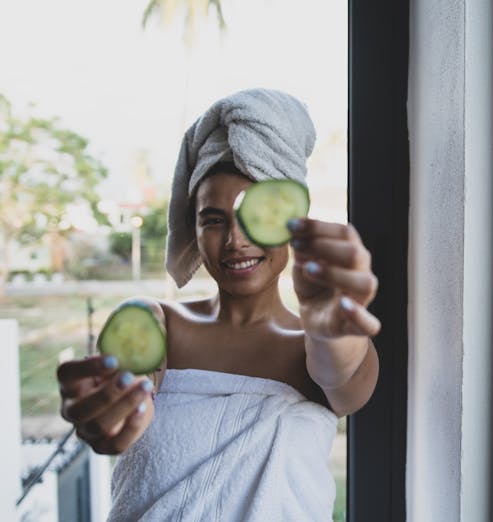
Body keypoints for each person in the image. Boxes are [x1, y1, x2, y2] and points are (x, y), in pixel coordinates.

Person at [56, 89, 380, 521]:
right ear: (192, 227)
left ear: (293, 222)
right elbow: (125, 394)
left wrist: (329, 331)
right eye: (213, 219)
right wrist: (107, 417)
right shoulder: (158, 324)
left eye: (256, 217)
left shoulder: (317, 347)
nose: (235, 240)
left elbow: (346, 374)